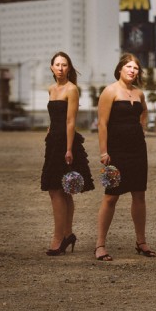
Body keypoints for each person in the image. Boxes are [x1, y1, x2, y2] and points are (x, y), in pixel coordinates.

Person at [94, 53, 155, 261]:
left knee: (139, 195)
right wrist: (104, 151)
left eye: (135, 68)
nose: (132, 70)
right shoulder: (109, 91)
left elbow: (144, 112)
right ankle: (100, 244)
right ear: (120, 69)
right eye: (128, 67)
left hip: (138, 149)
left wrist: (142, 128)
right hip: (116, 149)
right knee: (111, 196)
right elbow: (102, 124)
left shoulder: (139, 93)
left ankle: (141, 242)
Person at [41, 52, 94, 256]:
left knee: (57, 190)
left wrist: (69, 148)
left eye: (64, 65)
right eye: (57, 64)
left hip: (66, 142)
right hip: (53, 141)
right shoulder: (51, 89)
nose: (61, 68)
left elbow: (71, 121)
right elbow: (55, 116)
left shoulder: (72, 89)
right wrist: (49, 130)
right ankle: (68, 234)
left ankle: (58, 239)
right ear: (52, 67)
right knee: (61, 190)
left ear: (69, 68)